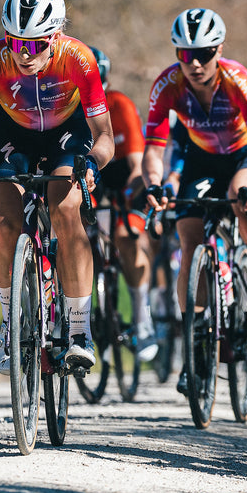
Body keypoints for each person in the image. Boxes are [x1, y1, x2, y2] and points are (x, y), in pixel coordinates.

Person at [0, 0, 113, 376]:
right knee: (3, 223)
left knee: (65, 209)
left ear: (56, 35)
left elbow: (105, 135)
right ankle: (10, 322)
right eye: (15, 41)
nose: (24, 54)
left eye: (37, 44)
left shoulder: (79, 59)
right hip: (13, 137)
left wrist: (92, 163)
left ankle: (78, 330)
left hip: (67, 137)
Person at [142, 7, 247, 394]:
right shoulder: (167, 85)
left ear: (219, 49)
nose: (195, 63)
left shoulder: (239, 81)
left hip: (242, 155)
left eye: (204, 53)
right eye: (186, 54)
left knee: (242, 201)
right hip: (200, 160)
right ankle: (197, 343)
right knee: (189, 241)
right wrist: (155, 183)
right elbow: (153, 148)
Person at [87, 45, 158, 362]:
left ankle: (142, 320)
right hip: (88, 178)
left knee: (126, 235)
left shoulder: (120, 104)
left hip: (122, 178)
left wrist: (133, 198)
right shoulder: (68, 108)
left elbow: (136, 165)